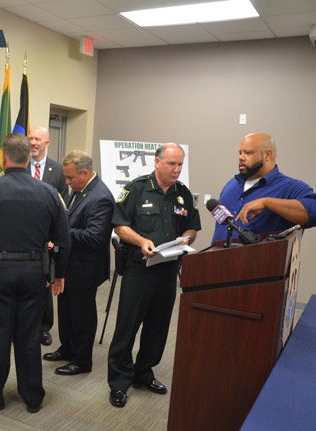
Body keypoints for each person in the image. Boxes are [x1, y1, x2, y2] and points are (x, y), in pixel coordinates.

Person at [0, 133, 70, 413]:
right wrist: (59, 273)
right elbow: (63, 238)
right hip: (36, 272)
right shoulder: (48, 192)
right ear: (29, 158)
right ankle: (32, 396)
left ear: (3, 157)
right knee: (30, 336)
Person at [107, 143, 200, 408]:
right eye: (172, 164)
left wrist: (186, 238)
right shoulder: (136, 188)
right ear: (157, 162)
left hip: (168, 270)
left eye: (180, 164)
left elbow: (193, 227)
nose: (177, 169)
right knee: (128, 326)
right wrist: (141, 241)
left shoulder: (183, 194)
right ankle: (119, 382)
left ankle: (143, 372)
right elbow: (120, 226)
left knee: (158, 327)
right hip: (139, 269)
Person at [43, 150, 114, 376]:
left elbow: (95, 237)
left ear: (85, 173)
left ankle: (83, 360)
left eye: (71, 177)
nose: (67, 182)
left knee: (82, 315)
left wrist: (62, 234)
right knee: (66, 311)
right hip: (70, 265)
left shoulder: (101, 197)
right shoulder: (80, 189)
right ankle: (67, 348)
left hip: (86, 268)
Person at [211, 133, 316, 243]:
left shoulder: (289, 187)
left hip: (258, 261)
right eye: (240, 153)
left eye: (248, 153)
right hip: (219, 260)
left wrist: (267, 202)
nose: (241, 157)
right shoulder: (232, 184)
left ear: (268, 155)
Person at [27, 125, 68, 347]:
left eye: (37, 139)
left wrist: (55, 237)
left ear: (47, 143)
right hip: (24, 235)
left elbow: (63, 207)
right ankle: (26, 325)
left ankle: (44, 328)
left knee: (45, 281)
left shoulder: (58, 171)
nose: (33, 143)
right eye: (30, 139)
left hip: (47, 238)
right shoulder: (19, 166)